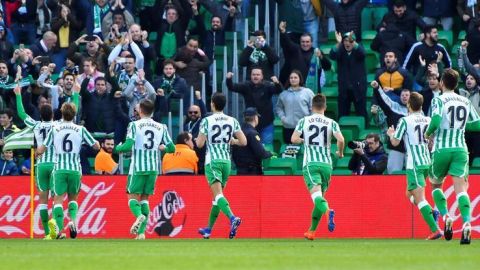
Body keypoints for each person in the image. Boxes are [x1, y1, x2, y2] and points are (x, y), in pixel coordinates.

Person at [14, 83, 79, 239]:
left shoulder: (36, 125)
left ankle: (48, 233)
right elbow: (72, 114)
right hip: (56, 165)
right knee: (57, 200)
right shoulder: (58, 125)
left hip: (41, 165)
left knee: (43, 200)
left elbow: (22, 115)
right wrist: (76, 94)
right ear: (53, 115)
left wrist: (17, 95)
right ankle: (59, 230)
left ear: (40, 115)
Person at [425, 69, 480, 245]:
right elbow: (477, 124)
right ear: (457, 84)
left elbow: (434, 121)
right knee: (461, 190)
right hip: (460, 149)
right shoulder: (465, 100)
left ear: (442, 83)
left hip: (441, 148)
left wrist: (427, 134)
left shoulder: (438, 100)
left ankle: (446, 215)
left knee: (435, 184)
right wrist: (461, 128)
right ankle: (466, 224)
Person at [37, 102, 100, 240]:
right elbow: (96, 146)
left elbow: (42, 149)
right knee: (73, 198)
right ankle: (73, 221)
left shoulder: (55, 129)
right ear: (75, 114)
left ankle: (58, 230)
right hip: (75, 169)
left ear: (61, 113)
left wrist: (37, 152)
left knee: (58, 200)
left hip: (59, 168)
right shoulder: (80, 129)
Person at [114, 100, 175, 240]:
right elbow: (172, 148)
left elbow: (128, 146)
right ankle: (141, 233)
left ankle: (139, 216)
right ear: (152, 111)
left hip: (138, 167)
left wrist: (117, 148)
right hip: (153, 168)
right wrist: (163, 148)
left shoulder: (134, 125)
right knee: (145, 199)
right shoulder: (161, 126)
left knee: (131, 197)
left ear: (140, 110)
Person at [386, 92, 442, 240]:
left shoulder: (405, 120)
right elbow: (432, 139)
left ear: (409, 104)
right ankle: (432, 212)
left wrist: (391, 134)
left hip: (414, 164)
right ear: (421, 105)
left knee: (420, 197)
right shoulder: (428, 119)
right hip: (427, 162)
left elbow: (395, 142)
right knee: (409, 194)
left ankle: (435, 229)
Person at [291, 94, 344, 240]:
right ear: (325, 107)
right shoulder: (331, 122)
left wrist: (304, 140)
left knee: (317, 197)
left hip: (311, 163)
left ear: (311, 107)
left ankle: (328, 212)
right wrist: (340, 152)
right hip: (327, 164)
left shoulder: (304, 121)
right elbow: (341, 139)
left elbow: (293, 139)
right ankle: (312, 231)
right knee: (320, 198)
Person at [196, 92, 247, 239]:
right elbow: (243, 142)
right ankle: (208, 230)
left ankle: (232, 218)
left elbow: (199, 144)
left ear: (212, 103)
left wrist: (198, 138)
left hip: (212, 160)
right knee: (217, 197)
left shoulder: (207, 121)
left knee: (218, 195)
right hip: (226, 162)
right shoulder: (232, 120)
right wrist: (233, 141)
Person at [226, 69, 282, 144]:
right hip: (251, 125)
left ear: (262, 76)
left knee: (267, 148)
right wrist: (229, 79)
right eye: (253, 74)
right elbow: (232, 87)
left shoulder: (268, 85)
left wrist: (277, 83)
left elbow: (278, 91)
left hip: (267, 124)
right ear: (251, 76)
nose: (255, 76)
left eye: (258, 75)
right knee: (252, 148)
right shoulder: (246, 86)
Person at [329, 31, 367, 119]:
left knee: (361, 113)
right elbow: (332, 55)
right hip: (344, 88)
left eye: (350, 41)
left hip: (358, 88)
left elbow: (363, 53)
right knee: (342, 114)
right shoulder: (341, 49)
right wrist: (338, 43)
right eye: (345, 40)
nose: (347, 43)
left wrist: (353, 42)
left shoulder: (358, 49)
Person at [275, 70, 314, 144]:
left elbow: (313, 108)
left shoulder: (308, 92)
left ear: (300, 79)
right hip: (288, 127)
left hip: (304, 128)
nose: (293, 79)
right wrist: (283, 118)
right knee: (290, 151)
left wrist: (309, 121)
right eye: (291, 78)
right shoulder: (283, 94)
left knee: (304, 150)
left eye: (295, 77)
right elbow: (278, 108)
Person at [232, 107, 273, 175]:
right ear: (255, 118)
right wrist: (271, 154)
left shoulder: (238, 133)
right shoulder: (253, 133)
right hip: (252, 172)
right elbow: (261, 153)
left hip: (240, 171)